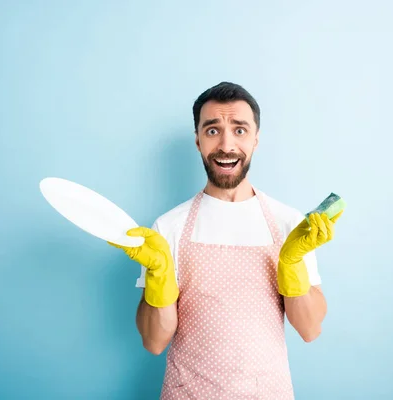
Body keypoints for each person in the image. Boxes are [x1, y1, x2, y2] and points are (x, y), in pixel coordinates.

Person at [110, 82, 343, 399]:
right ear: (197, 141)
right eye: (212, 130)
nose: (226, 144)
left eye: (240, 130)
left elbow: (310, 329)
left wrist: (291, 263)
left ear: (256, 139)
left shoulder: (290, 225)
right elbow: (154, 341)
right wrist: (160, 276)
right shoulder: (168, 227)